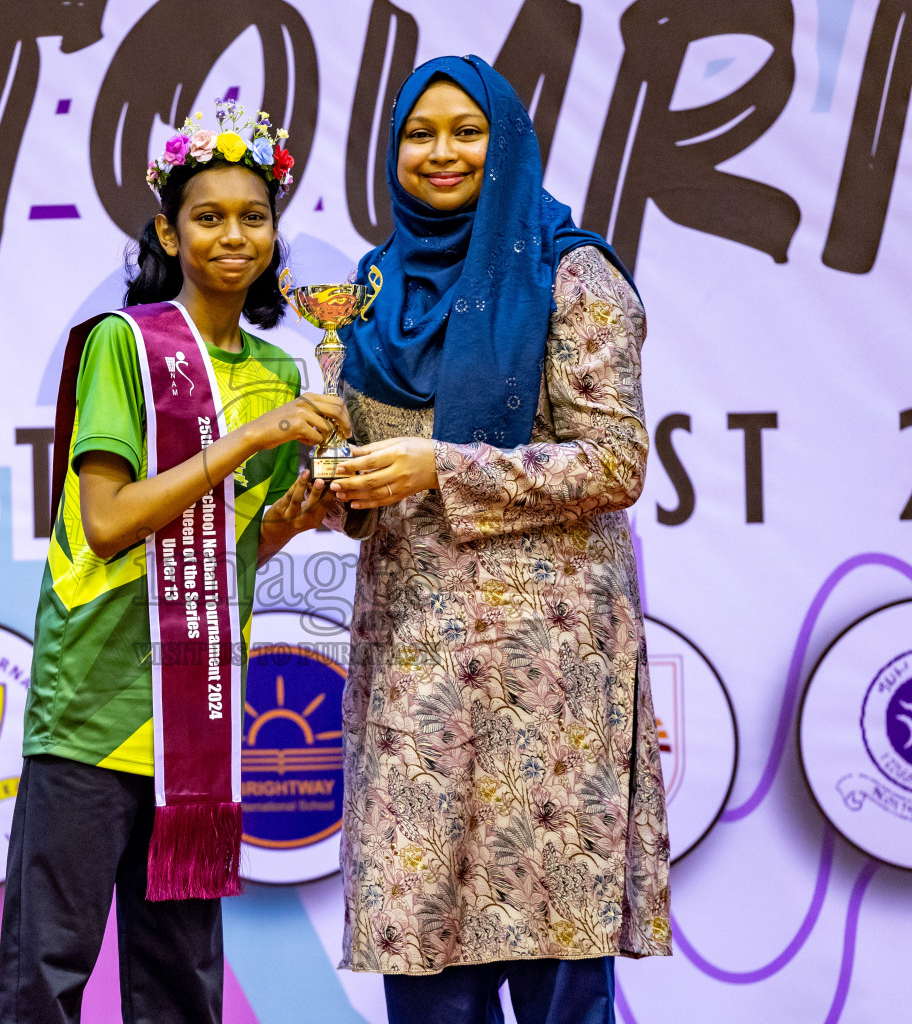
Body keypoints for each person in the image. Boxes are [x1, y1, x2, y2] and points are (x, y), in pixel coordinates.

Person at [326, 56, 672, 1024]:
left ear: (507, 142)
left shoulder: (574, 273)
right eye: (419, 132)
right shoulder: (371, 286)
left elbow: (614, 460)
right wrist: (329, 483)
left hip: (548, 680)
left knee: (555, 944)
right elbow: (364, 458)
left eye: (466, 131)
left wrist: (444, 464)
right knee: (428, 944)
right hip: (417, 672)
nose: (441, 152)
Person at [0, 101, 351, 1024]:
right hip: (91, 706)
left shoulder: (281, 371)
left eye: (253, 216)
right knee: (47, 979)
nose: (232, 235)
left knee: (181, 992)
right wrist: (248, 440)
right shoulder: (126, 344)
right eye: (207, 216)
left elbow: (230, 544)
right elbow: (110, 523)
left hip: (192, 721)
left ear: (275, 233)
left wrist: (296, 517)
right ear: (168, 229)